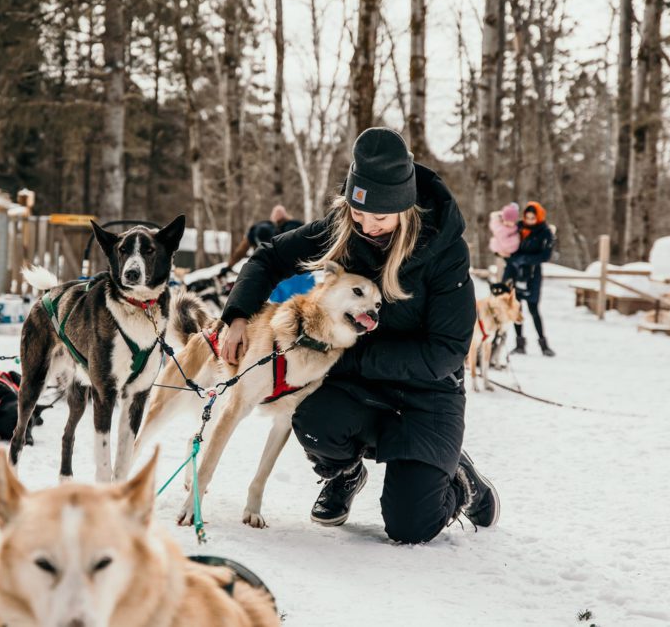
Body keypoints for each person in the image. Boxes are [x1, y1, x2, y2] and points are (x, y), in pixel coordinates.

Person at [219, 127, 499, 545]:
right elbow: (270, 256)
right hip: (358, 387)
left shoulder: (445, 250)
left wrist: (345, 357)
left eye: (380, 217)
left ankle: (458, 479)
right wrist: (238, 316)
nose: (367, 226)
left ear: (405, 209)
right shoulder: (344, 229)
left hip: (427, 393)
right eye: (358, 213)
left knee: (409, 526)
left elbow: (446, 353)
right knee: (308, 414)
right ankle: (343, 473)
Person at [224, 205, 314, 303]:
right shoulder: (297, 226)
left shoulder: (264, 231)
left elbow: (241, 251)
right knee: (306, 301)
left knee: (281, 304)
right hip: (302, 270)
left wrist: (229, 266)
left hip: (285, 273)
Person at [504, 201, 555, 357]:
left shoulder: (545, 232)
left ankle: (543, 344)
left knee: (533, 309)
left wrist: (524, 259)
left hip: (532, 275)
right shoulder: (517, 227)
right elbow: (507, 245)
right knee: (516, 308)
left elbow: (545, 255)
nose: (530, 220)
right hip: (514, 272)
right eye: (527, 217)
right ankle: (519, 344)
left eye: (533, 218)